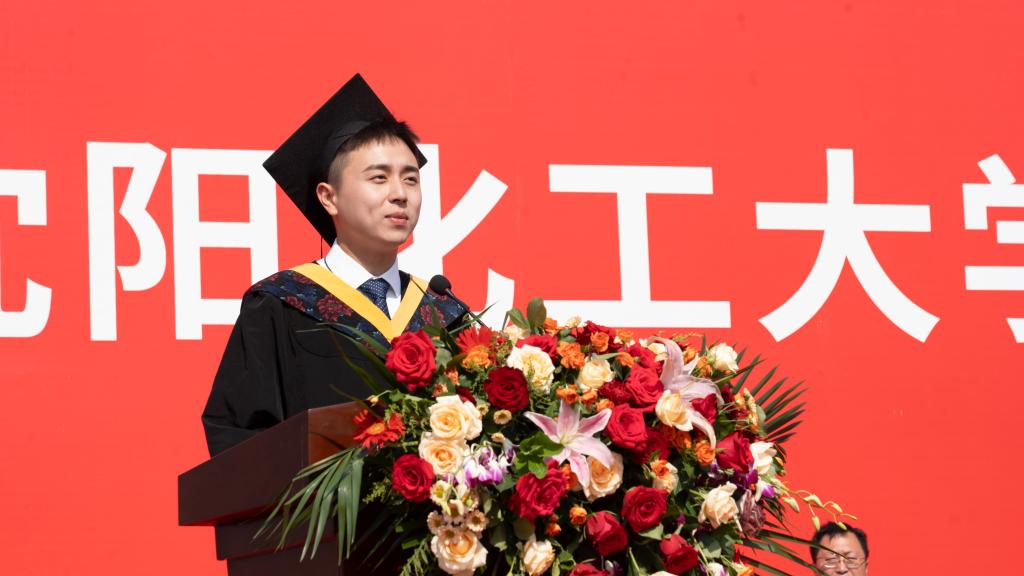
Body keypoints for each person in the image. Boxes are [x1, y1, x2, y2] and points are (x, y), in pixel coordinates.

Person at [201, 74, 468, 456]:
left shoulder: (444, 313)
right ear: (329, 197)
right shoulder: (280, 305)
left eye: (411, 180)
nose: (400, 194)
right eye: (379, 178)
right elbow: (241, 442)